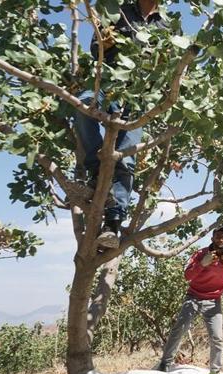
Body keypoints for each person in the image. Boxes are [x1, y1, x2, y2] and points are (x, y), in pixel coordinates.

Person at [68, 0, 171, 249]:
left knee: (125, 156)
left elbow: (168, 66)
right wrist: (104, 43)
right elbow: (96, 48)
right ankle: (94, 173)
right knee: (83, 106)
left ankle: (112, 225)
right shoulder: (117, 11)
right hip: (109, 84)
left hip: (139, 96)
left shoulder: (166, 25)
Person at [157, 226, 223, 374]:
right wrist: (203, 263)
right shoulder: (200, 254)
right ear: (212, 238)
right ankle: (165, 363)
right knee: (179, 329)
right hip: (193, 297)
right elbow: (187, 276)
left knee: (217, 337)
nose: (220, 240)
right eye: (217, 236)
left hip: (213, 301)